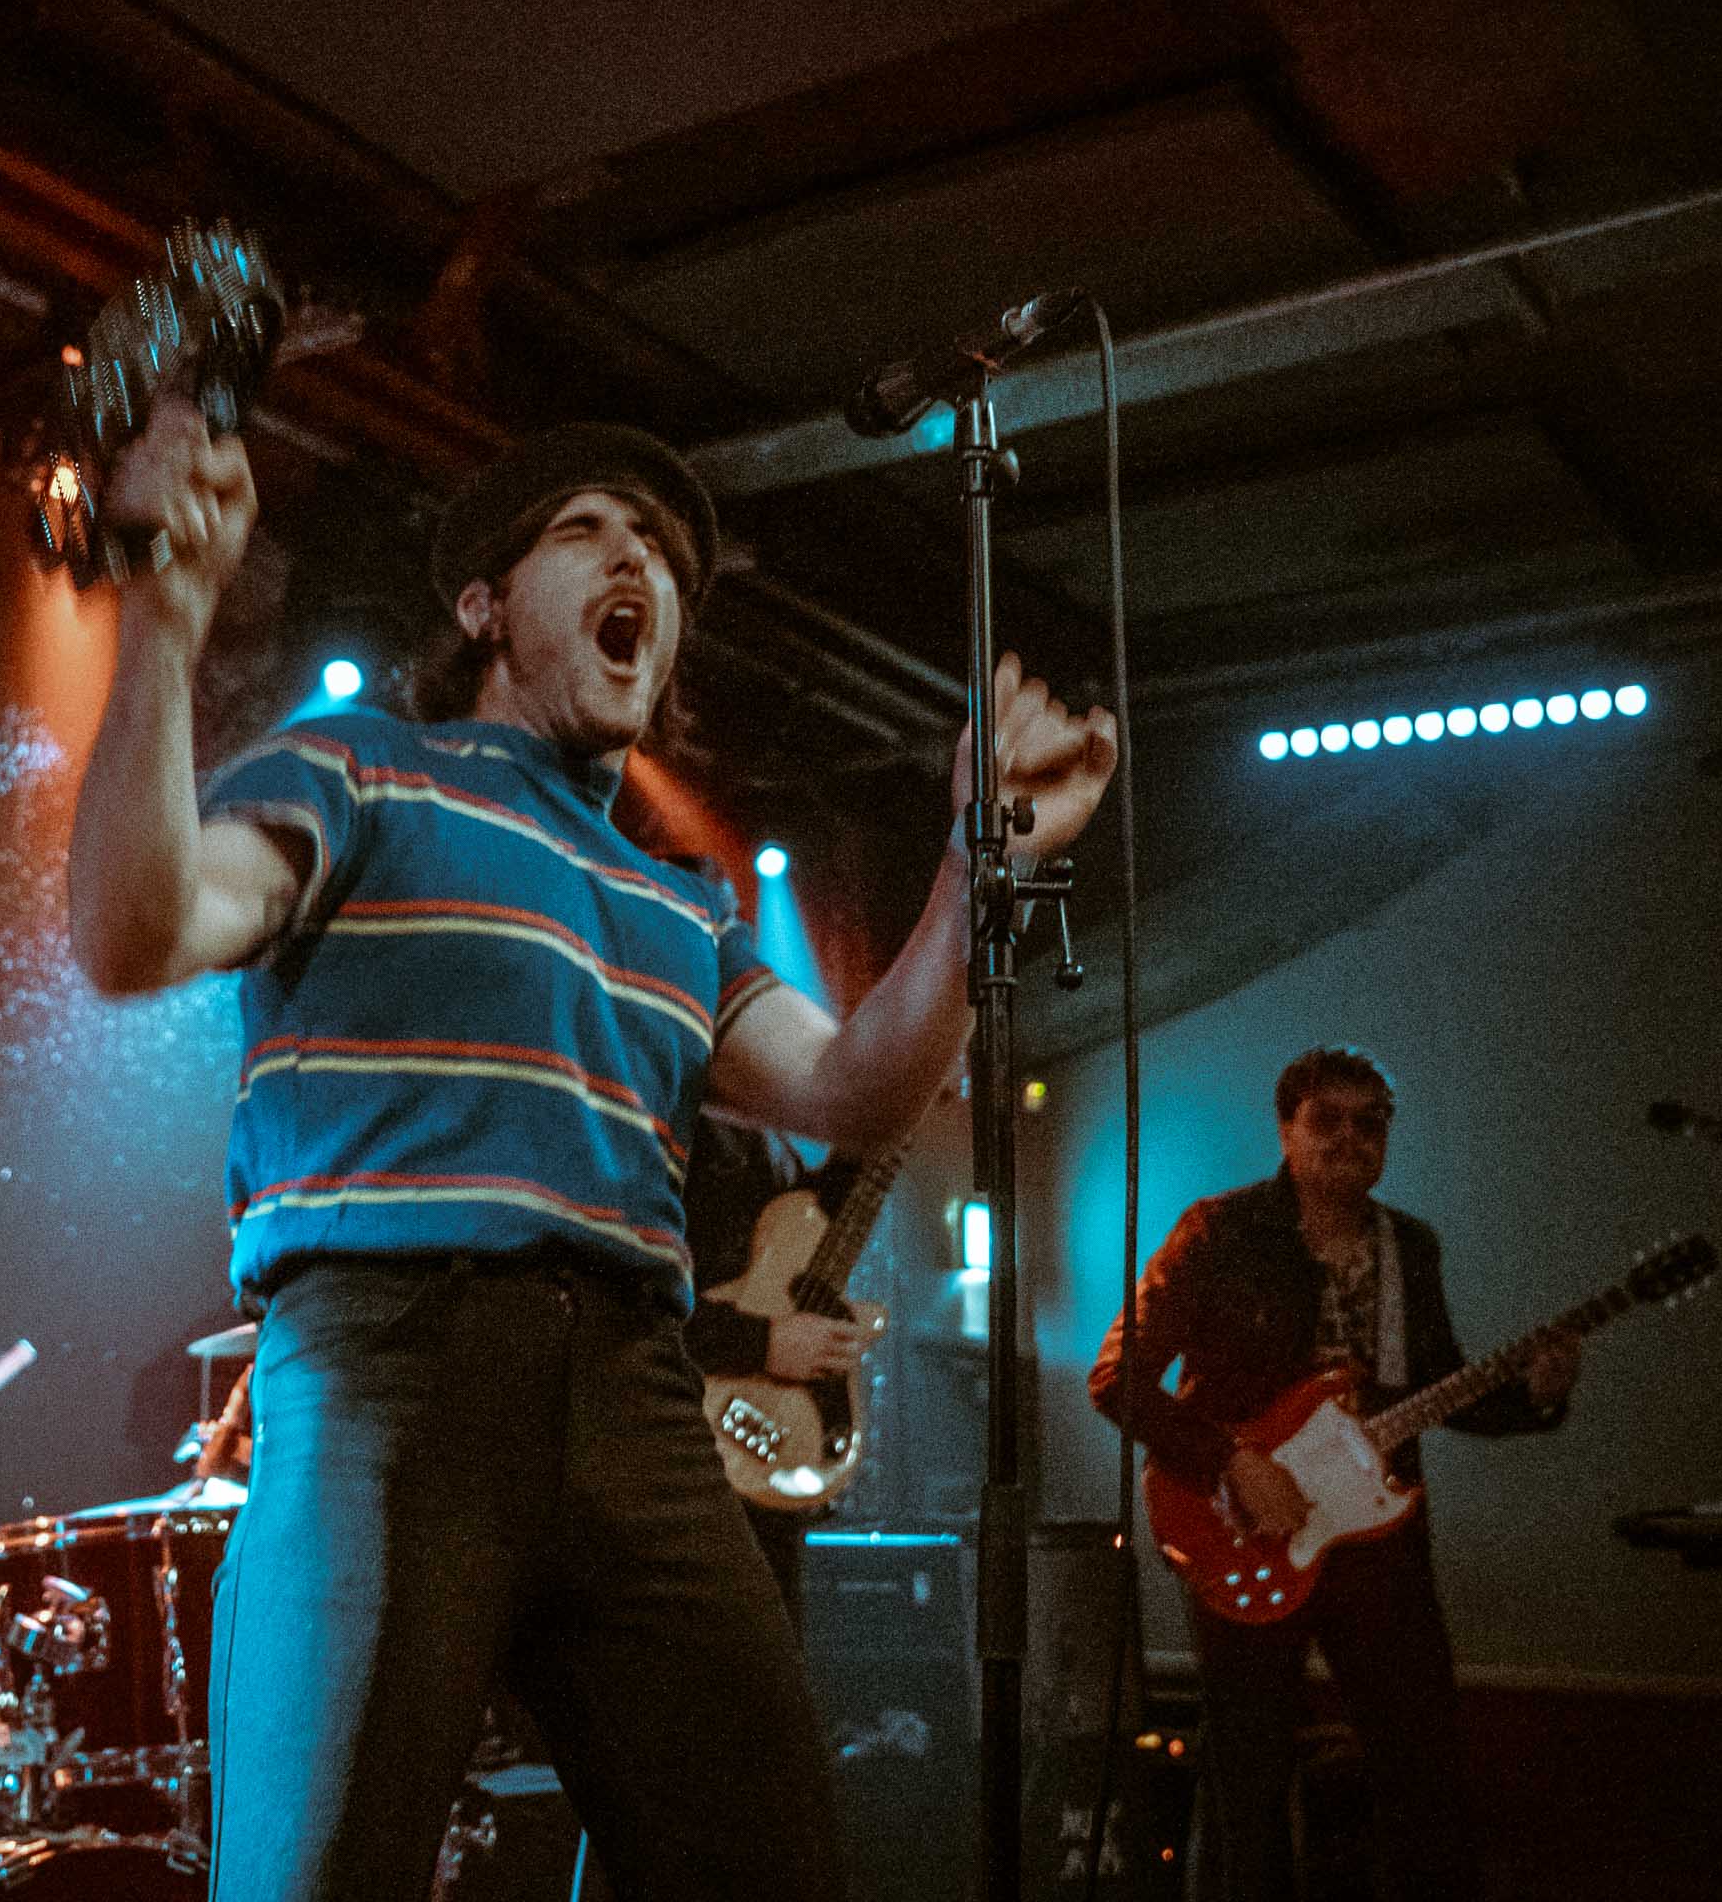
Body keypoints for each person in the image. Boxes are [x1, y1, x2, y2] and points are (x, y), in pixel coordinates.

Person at [66, 404, 1117, 1901]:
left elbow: (860, 1088)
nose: (638, 557)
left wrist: (980, 862)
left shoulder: (680, 904)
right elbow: (135, 931)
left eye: (664, 556)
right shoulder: (363, 771)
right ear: (485, 605)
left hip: (642, 1399)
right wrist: (166, 621)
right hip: (391, 1383)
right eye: (587, 530)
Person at [1087, 1045, 1584, 1902]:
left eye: (1372, 1122)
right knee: (1247, 1781)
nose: (1351, 1138)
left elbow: (1441, 1392)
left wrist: (1535, 1396)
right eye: (1328, 1119)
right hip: (1245, 1530)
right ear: (1286, 1128)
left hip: (1378, 1547)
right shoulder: (1219, 1231)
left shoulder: (1410, 1247)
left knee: (1425, 1770)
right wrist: (1234, 1462)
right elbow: (1116, 1380)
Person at [678, 1104, 874, 1623]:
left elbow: (825, 1216)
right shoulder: (684, 1127)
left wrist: (900, 1109)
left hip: (758, 1456)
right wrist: (763, 1344)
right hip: (693, 1435)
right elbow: (635, 1303)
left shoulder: (764, 1135)